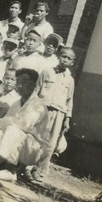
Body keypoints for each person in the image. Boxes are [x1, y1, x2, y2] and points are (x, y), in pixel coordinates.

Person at [0, 68, 48, 182]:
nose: (20, 86)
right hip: (18, 145)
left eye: (24, 82)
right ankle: (1, 166)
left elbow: (23, 125)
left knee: (13, 129)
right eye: (18, 82)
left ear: (33, 84)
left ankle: (10, 170)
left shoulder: (38, 105)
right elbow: (5, 123)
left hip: (33, 150)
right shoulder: (17, 103)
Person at [29, 47, 76, 182]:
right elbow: (36, 91)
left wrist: (68, 118)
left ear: (72, 62)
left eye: (69, 58)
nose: (65, 60)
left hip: (58, 114)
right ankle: (26, 167)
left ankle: (39, 170)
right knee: (35, 138)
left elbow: (69, 100)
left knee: (50, 144)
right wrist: (31, 108)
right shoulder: (47, 71)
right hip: (42, 109)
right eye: (63, 56)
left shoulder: (70, 80)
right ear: (58, 56)